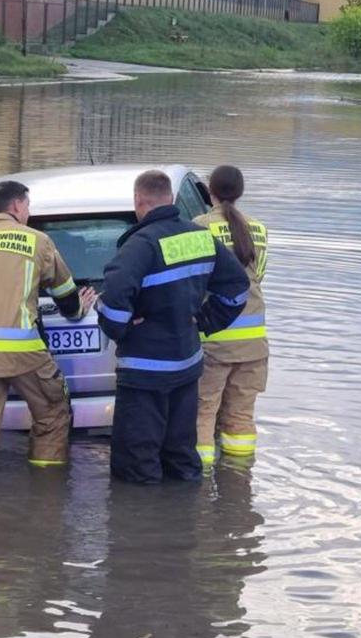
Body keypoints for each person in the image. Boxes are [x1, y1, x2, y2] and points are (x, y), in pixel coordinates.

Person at [96, 170, 250, 484]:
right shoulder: (199, 237)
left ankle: (143, 527)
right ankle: (186, 523)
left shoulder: (139, 246)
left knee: (137, 466)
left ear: (139, 201)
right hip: (186, 367)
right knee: (181, 457)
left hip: (143, 373)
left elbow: (112, 305)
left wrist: (125, 329)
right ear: (172, 199)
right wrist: (204, 321)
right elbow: (237, 288)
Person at [0, 180, 97, 472]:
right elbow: (65, 293)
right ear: (17, 205)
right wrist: (79, 307)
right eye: (27, 206)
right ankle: (45, 488)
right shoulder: (38, 241)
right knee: (53, 412)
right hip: (23, 352)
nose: (28, 212)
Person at [194, 165, 269, 466]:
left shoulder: (199, 226)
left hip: (214, 339)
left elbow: (193, 280)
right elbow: (259, 277)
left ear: (210, 191)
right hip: (254, 342)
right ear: (240, 193)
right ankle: (239, 484)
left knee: (203, 411)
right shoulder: (259, 229)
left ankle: (199, 484)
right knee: (240, 418)